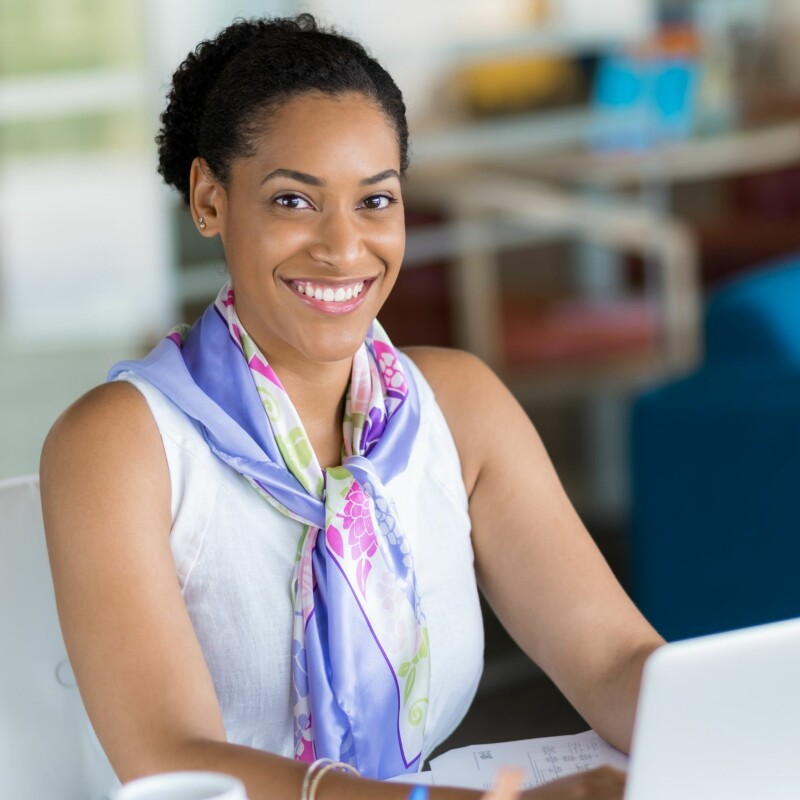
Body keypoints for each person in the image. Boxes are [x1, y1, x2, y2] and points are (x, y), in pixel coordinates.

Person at [40, 14, 662, 800]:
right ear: (209, 199)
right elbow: (175, 765)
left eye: (375, 201)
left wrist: (737, 727)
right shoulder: (118, 445)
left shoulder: (460, 409)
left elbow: (613, 659)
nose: (343, 248)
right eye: (294, 201)